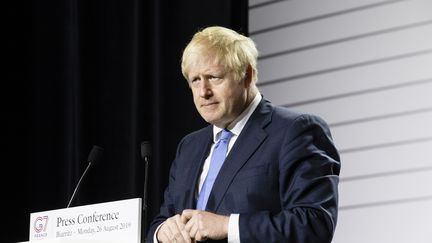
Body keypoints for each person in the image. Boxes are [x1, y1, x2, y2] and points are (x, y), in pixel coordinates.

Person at [146, 26, 341, 243]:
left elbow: (314, 224)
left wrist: (227, 225)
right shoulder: (189, 146)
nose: (204, 92)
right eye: (195, 80)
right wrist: (161, 232)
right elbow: (164, 217)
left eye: (214, 77)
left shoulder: (296, 131)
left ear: (246, 75)